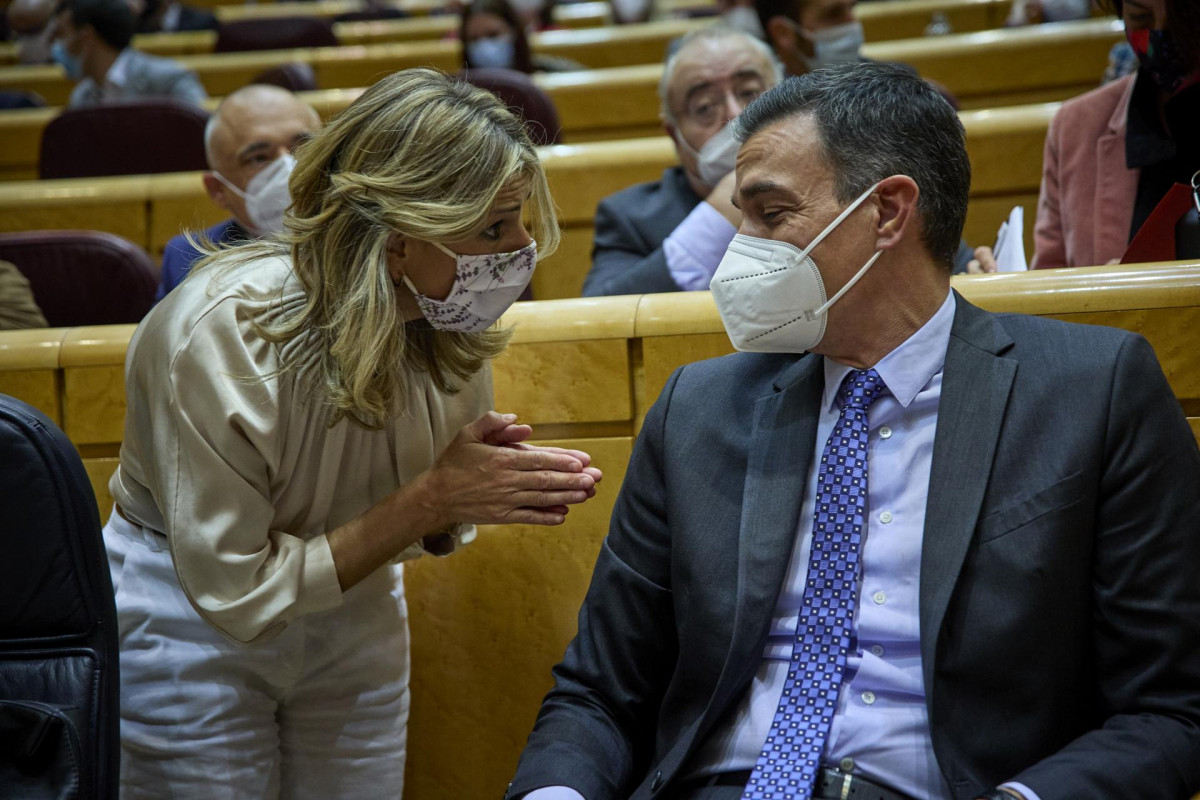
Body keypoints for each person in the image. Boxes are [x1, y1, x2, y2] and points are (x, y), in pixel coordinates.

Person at [508, 62, 1200, 800]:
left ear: (889, 213)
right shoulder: (698, 409)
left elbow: (1173, 709)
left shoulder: (1091, 390)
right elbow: (597, 692)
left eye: (770, 215)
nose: (738, 251)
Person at [104, 68, 603, 798]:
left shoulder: (445, 319)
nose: (522, 249)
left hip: (355, 603)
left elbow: (424, 518)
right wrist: (433, 499)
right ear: (398, 241)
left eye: (520, 219)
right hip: (193, 620)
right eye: (495, 227)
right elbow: (236, 590)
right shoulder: (217, 335)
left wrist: (471, 493)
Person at [582, 26, 782, 297]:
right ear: (674, 135)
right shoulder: (630, 219)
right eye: (705, 106)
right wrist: (717, 220)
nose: (736, 115)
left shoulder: (833, 185)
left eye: (749, 93)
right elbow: (600, 326)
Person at [1027, 0, 1200, 268]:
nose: (1161, 33)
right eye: (1140, 18)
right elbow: (1049, 285)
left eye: (1183, 19)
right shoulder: (1077, 126)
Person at [156, 84, 321, 301]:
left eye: (303, 147)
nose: (289, 168)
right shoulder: (186, 259)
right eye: (259, 158)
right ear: (218, 190)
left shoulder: (371, 238)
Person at [51, 0, 206, 109]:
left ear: (87, 38)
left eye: (63, 36)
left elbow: (198, 136)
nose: (58, 47)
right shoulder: (81, 98)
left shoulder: (170, 78)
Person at [460, 0, 582, 73]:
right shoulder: (457, 92)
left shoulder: (555, 71)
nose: (484, 46)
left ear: (514, 33)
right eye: (474, 39)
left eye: (493, 35)